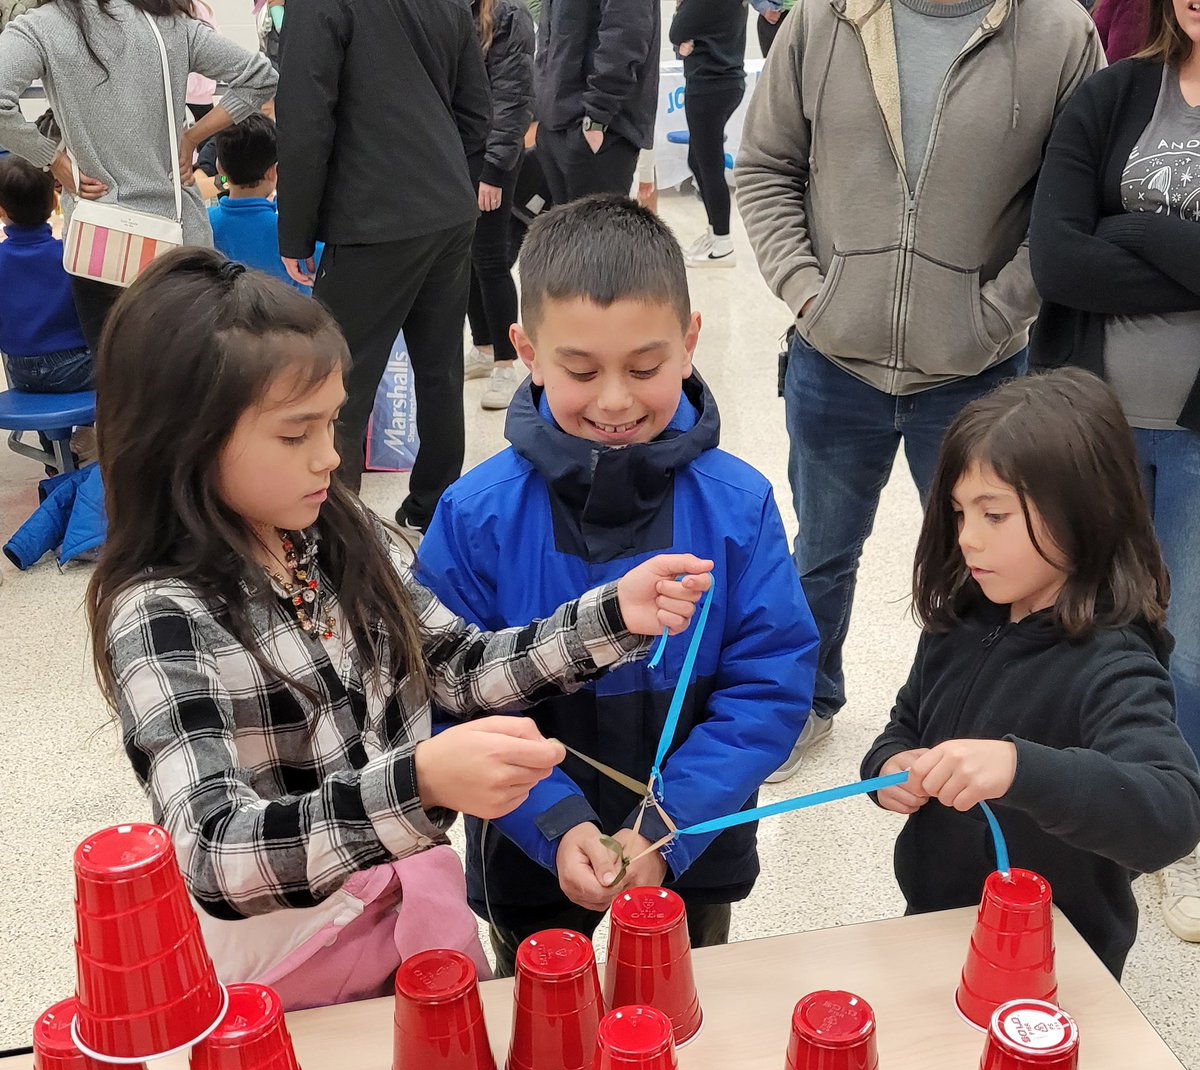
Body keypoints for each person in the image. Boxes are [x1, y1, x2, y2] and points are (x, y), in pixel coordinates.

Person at [85, 246, 714, 1008]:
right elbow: (215, 852)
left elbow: (454, 661)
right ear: (184, 437)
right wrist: (417, 782)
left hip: (416, 911)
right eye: (295, 434)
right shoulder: (161, 613)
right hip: (293, 964)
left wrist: (611, 617)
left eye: (334, 423)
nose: (330, 456)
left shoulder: (336, 534)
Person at [417, 196, 818, 976]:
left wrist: (673, 824)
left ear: (690, 342)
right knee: (541, 1022)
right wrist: (554, 818)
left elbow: (770, 684)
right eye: (579, 369)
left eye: (644, 367)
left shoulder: (739, 506)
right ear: (527, 351)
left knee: (683, 1011)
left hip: (693, 841)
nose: (614, 400)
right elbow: (447, 694)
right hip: (528, 847)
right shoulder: (474, 516)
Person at [735, 0, 1104, 783]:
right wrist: (810, 293)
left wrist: (992, 316)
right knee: (822, 552)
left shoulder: (1060, 34)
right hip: (834, 362)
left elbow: (1068, 205)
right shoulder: (823, 18)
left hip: (978, 375)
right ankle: (806, 698)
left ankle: (984, 719)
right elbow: (765, 165)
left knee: (993, 562)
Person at [862, 370, 1200, 980]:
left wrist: (1020, 768)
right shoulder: (961, 617)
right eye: (960, 512)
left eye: (995, 515)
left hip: (1054, 966)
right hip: (934, 927)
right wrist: (888, 771)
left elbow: (1171, 814)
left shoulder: (1114, 663)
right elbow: (905, 723)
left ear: (1084, 511)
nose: (967, 539)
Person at [1028, 0, 1200, 944]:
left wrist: (1128, 229)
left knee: (1192, 642)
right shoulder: (1108, 96)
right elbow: (1058, 259)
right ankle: (1068, 802)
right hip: (1084, 430)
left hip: (1195, 439)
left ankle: (1175, 829)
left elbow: (1094, 243)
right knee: (1072, 617)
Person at [275, 0, 491, 531]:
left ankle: (333, 525)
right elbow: (476, 111)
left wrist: (296, 229)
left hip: (371, 216)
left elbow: (305, 115)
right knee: (439, 367)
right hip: (446, 206)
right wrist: (439, 170)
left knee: (337, 380)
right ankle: (434, 508)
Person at [0, 0, 276, 351]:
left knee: (119, 384)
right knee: (189, 380)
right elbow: (261, 77)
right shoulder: (172, 26)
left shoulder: (41, 27)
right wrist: (191, 137)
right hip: (179, 238)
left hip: (99, 240)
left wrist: (53, 159)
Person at [464, 0, 535, 412]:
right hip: (459, 153)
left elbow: (513, 99)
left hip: (495, 156)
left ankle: (507, 364)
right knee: (467, 257)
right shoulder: (458, 12)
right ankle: (484, 346)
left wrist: (493, 170)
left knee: (490, 260)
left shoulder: (510, 15)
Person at [532, 0, 659, 204]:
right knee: (563, 232)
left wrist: (597, 117)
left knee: (597, 231)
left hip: (598, 129)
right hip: (557, 123)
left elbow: (625, 38)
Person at [0, 155, 92, 397]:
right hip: (76, 366)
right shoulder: (70, 254)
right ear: (54, 201)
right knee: (129, 365)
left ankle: (50, 436)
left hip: (20, 373)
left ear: (1, 212)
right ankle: (86, 432)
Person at [670, 0, 747, 268]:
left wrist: (683, 39)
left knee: (709, 164)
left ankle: (723, 243)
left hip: (709, 86)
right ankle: (716, 232)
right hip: (724, 84)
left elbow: (677, 31)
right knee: (697, 160)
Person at [209, 113, 302, 292]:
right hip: (282, 318)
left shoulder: (203, 223)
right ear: (274, 171)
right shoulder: (293, 234)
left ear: (220, 167)